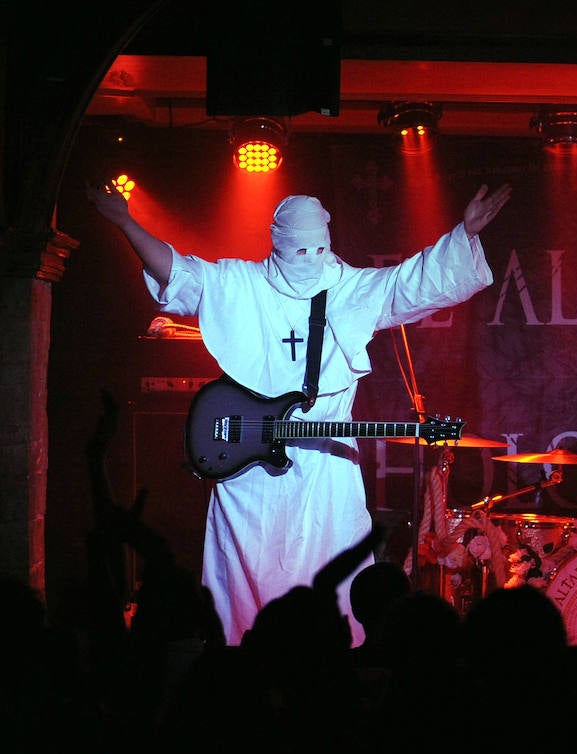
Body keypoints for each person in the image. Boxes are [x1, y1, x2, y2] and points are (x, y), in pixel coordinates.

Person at [86, 180, 512, 646]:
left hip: (326, 468)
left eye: (318, 248)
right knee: (246, 577)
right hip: (248, 470)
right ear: (276, 241)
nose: (309, 259)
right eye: (298, 250)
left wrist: (464, 234)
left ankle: (332, 668)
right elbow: (178, 272)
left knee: (331, 567)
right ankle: (243, 663)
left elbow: (417, 279)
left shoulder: (353, 288)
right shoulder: (241, 284)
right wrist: (125, 221)